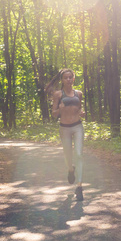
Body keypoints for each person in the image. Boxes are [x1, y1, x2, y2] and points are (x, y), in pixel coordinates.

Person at [45, 69, 85, 201]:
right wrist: (59, 109)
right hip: (65, 128)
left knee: (78, 154)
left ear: (73, 79)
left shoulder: (78, 94)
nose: (68, 79)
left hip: (77, 127)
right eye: (65, 78)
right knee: (68, 156)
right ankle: (70, 170)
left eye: (70, 77)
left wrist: (82, 112)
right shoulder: (58, 94)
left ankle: (79, 186)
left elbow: (79, 108)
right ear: (62, 80)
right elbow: (54, 113)